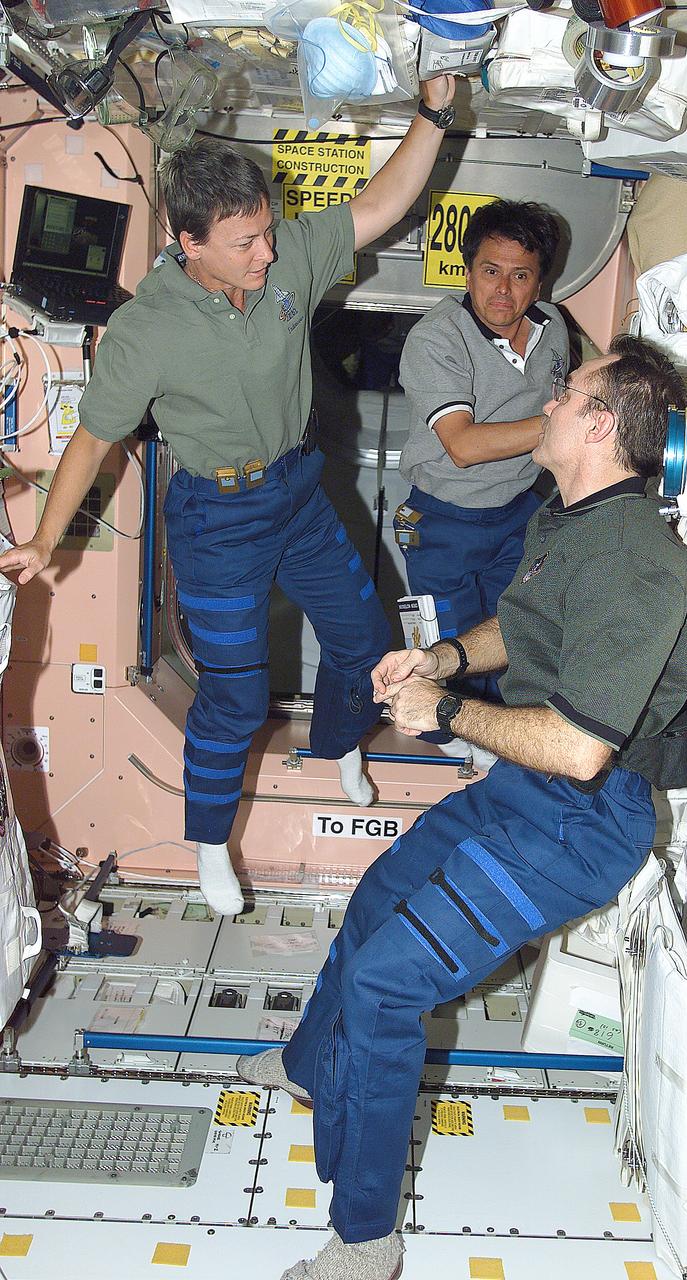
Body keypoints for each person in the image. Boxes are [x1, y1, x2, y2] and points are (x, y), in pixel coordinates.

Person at [237, 335, 687, 1280]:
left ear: (600, 425)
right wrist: (440, 659)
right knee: (373, 901)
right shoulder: (570, 518)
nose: (550, 403)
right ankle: (310, 1070)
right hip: (524, 795)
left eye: (567, 393)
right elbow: (521, 626)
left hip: (574, 825)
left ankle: (366, 1240)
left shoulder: (635, 560)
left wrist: (443, 712)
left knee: (386, 986)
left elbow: (577, 749)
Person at [0, 77, 457, 918]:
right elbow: (92, 439)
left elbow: (384, 202)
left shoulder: (284, 262)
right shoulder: (147, 331)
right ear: (187, 242)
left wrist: (431, 113)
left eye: (268, 233)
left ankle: (340, 747)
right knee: (236, 697)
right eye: (244, 242)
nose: (267, 254)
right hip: (216, 521)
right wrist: (43, 538)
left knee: (364, 641)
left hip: (297, 493)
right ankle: (210, 844)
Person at [395, 199, 570, 766]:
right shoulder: (436, 339)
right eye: (490, 271)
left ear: (539, 281)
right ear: (468, 270)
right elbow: (464, 445)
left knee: (517, 640)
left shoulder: (555, 327)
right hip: (443, 521)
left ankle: (504, 753)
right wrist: (562, 427)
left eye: (520, 275)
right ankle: (452, 754)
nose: (503, 290)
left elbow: (572, 395)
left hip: (519, 511)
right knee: (444, 650)